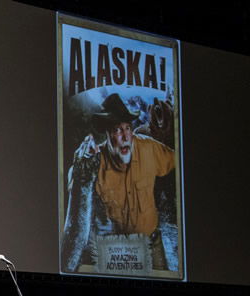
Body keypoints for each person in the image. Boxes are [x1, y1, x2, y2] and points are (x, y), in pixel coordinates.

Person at [61, 93, 175, 271]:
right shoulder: (96, 160)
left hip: (152, 246)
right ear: (107, 134)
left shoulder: (150, 149)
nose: (125, 136)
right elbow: (74, 183)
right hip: (116, 251)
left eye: (128, 128)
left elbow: (177, 161)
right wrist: (82, 163)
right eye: (117, 130)